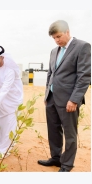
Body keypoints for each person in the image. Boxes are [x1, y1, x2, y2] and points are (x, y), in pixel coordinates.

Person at [37, 20, 91, 172]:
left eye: (59, 36)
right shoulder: (54, 51)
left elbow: (84, 76)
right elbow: (50, 73)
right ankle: (56, 158)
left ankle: (67, 164)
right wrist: (47, 94)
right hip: (52, 98)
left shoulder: (82, 47)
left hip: (69, 100)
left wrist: (74, 99)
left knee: (69, 133)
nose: (57, 40)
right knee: (53, 130)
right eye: (54, 38)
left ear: (67, 32)